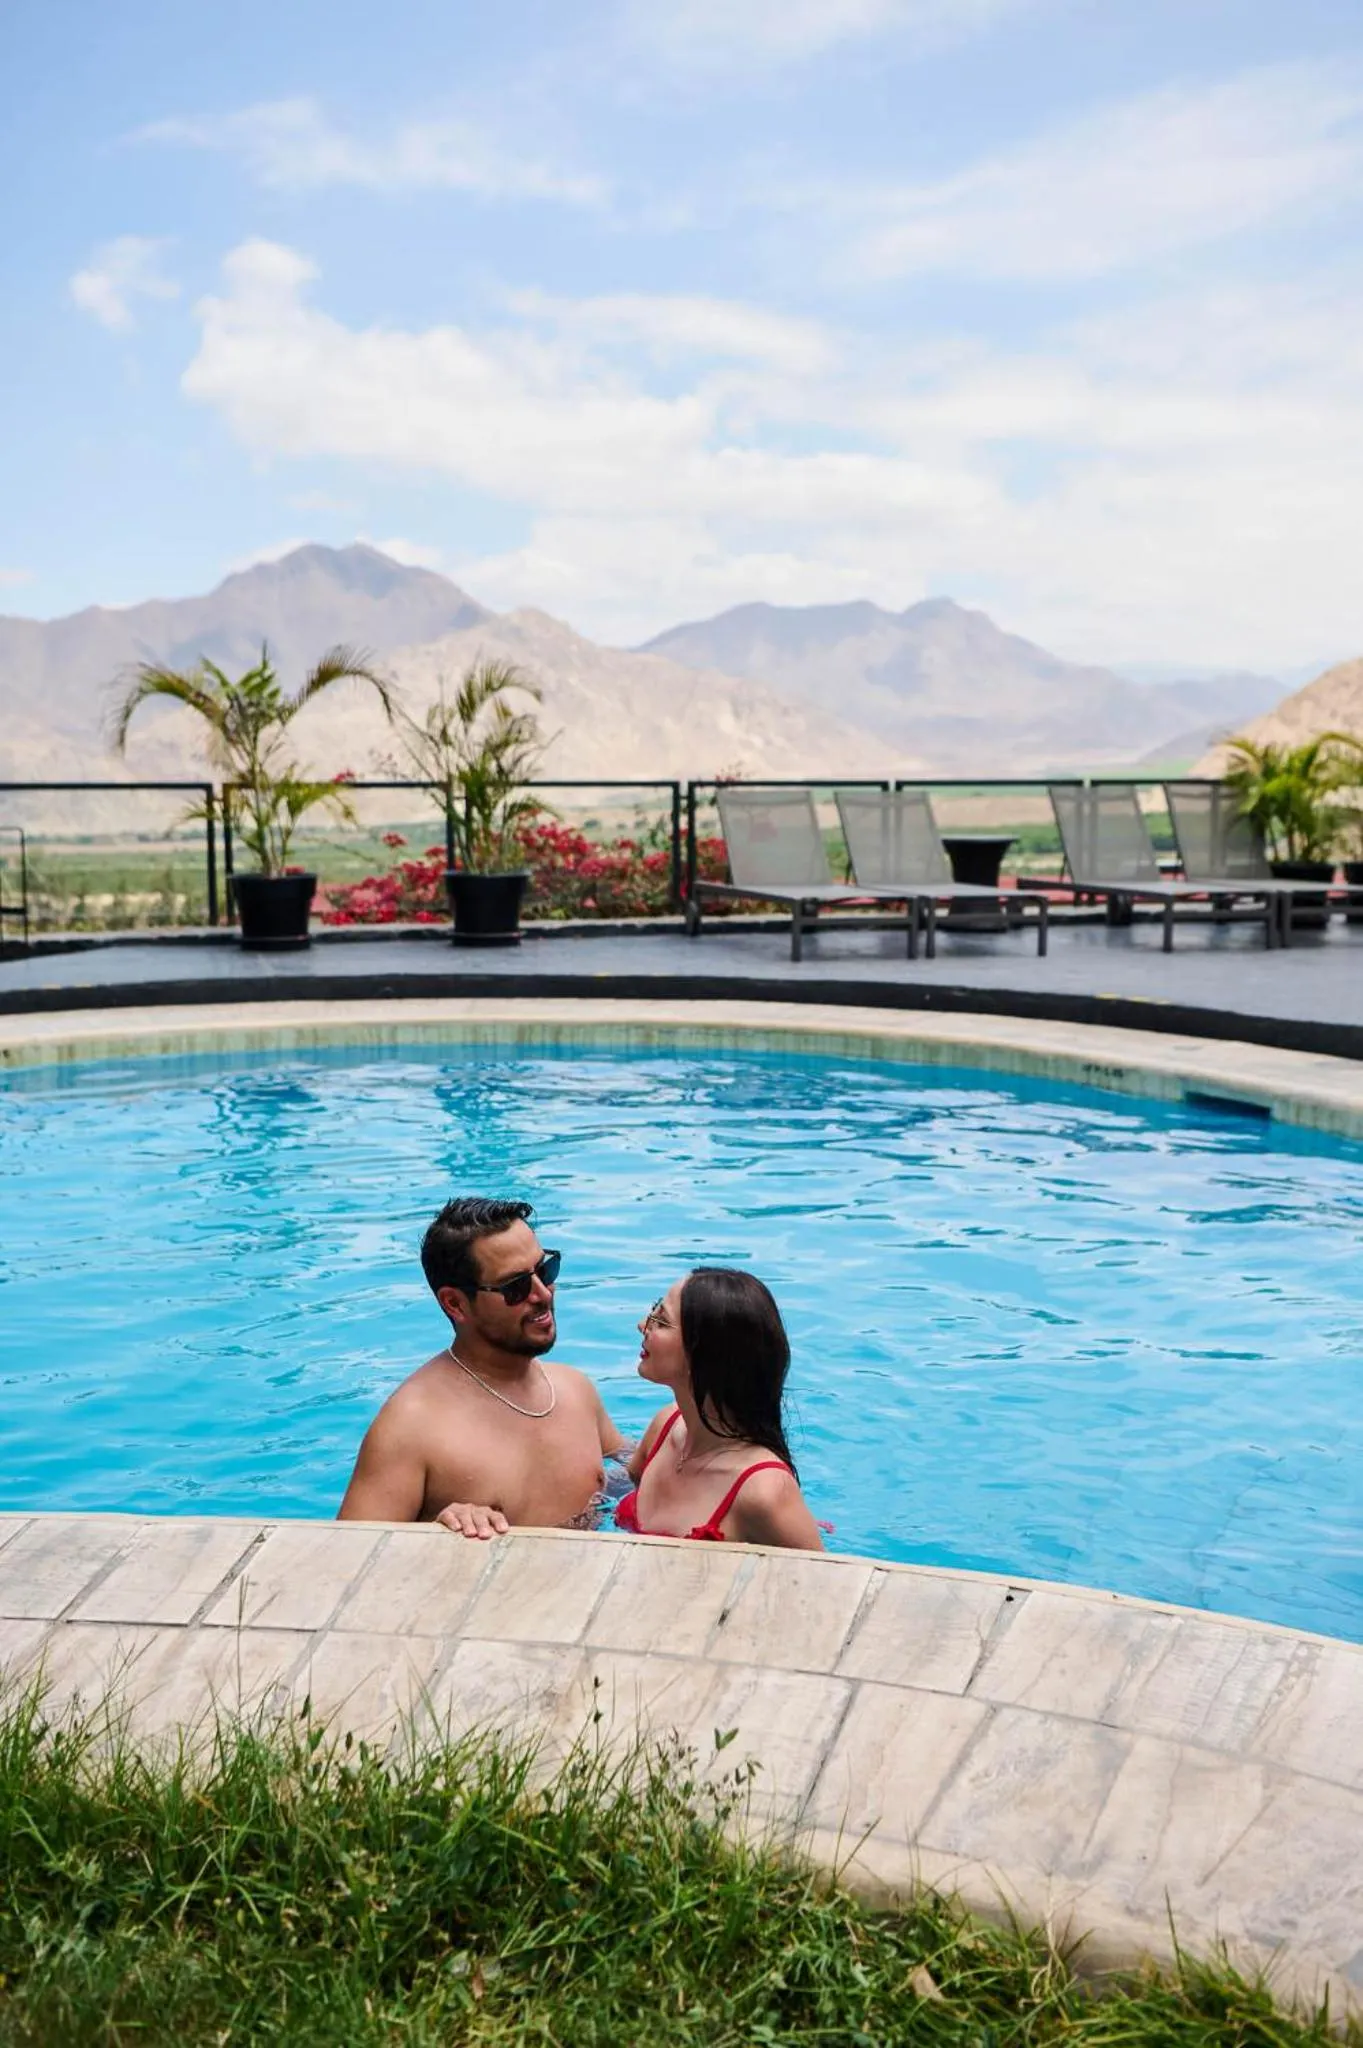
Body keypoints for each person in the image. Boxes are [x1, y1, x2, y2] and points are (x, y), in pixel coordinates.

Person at [338, 1197, 624, 1536]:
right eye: (516, 1287)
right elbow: (346, 1556)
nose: (543, 1294)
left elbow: (637, 1479)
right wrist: (436, 1533)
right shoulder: (410, 1429)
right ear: (455, 1304)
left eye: (545, 1270)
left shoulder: (574, 1390)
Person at [615, 1267, 824, 1549]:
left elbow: (822, 1575)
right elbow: (619, 1489)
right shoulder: (665, 1426)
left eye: (661, 1321)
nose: (642, 1325)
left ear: (704, 1355)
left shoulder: (763, 1493)